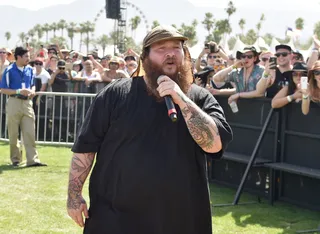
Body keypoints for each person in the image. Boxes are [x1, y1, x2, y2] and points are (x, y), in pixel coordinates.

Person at [67, 25, 233, 234]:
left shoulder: (199, 99)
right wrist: (74, 196)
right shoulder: (115, 94)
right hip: (116, 219)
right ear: (145, 56)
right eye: (161, 48)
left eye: (176, 47)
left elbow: (214, 144)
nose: (170, 54)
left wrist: (181, 100)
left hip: (180, 221)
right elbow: (86, 148)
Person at [0, 47, 47, 167]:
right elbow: (3, 89)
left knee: (30, 132)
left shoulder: (30, 70)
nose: (29, 59)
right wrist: (19, 91)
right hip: (14, 102)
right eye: (26, 56)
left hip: (27, 104)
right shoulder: (9, 70)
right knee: (13, 133)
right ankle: (15, 159)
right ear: (19, 57)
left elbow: (32, 85)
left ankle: (33, 160)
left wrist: (32, 91)